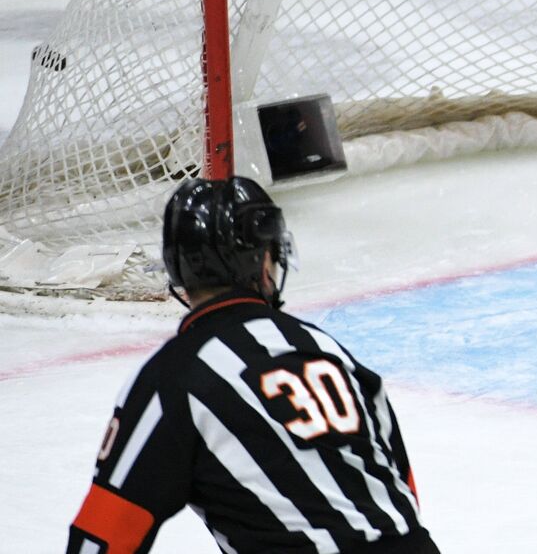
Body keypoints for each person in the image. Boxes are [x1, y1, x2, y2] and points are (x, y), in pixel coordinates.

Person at [68, 176, 440, 553]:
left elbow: (103, 537)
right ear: (264, 262)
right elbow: (402, 493)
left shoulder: (172, 378)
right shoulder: (329, 351)